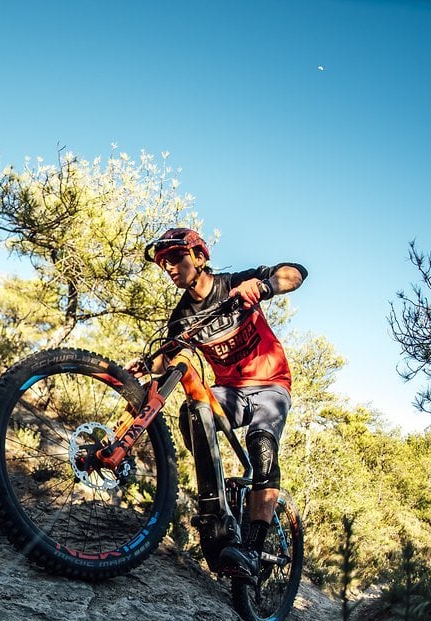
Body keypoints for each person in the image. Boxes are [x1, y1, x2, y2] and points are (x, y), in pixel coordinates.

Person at [126, 227, 307, 581]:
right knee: (192, 412)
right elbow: (169, 356)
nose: (170, 268)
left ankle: (254, 549)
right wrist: (146, 366)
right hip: (230, 393)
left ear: (198, 257)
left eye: (176, 259)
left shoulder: (232, 285)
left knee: (262, 443)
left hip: (271, 386)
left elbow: (296, 273)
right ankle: (218, 504)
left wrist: (264, 286)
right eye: (164, 264)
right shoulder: (182, 315)